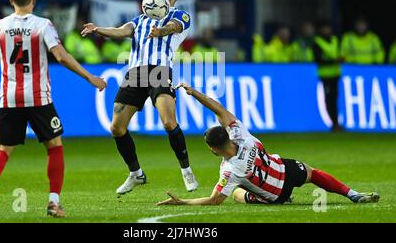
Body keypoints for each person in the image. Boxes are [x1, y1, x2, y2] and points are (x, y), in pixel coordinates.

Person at [0, 0, 107, 218]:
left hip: (9, 98)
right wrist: (89, 77)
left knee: (2, 149)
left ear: (11, 0)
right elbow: (62, 58)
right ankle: (54, 203)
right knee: (54, 147)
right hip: (38, 98)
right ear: (33, 0)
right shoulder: (43, 25)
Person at [157, 83, 379, 206]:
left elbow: (214, 200)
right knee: (313, 173)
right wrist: (194, 92)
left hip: (277, 196)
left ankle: (257, 197)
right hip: (286, 169)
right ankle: (351, 194)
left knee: (235, 193)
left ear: (214, 149)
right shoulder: (241, 135)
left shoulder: (229, 170)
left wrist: (182, 202)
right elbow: (220, 111)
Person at [81, 0, 199, 195]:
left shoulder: (180, 15)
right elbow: (122, 31)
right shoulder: (140, 19)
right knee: (116, 127)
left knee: (168, 122)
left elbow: (174, 27)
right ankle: (136, 174)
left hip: (159, 71)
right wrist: (98, 29)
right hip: (135, 73)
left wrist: (161, 31)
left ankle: (186, 170)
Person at [313, 23, 343, 132]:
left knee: (334, 99)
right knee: (329, 100)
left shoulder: (335, 40)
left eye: (328, 27)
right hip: (325, 75)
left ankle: (336, 123)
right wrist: (334, 61)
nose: (327, 30)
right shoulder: (317, 43)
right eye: (325, 28)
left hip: (335, 74)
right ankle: (333, 123)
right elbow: (318, 60)